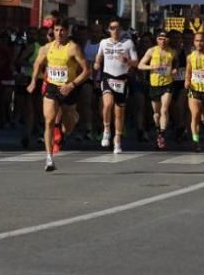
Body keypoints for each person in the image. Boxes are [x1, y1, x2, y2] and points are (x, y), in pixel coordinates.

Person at [27, 18, 90, 172]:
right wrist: (33, 81)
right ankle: (49, 158)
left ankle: (72, 119)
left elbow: (87, 71)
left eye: (62, 30)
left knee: (68, 126)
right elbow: (37, 64)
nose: (59, 33)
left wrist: (72, 84)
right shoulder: (46, 48)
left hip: (68, 88)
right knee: (48, 120)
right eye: (56, 30)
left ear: (67, 31)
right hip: (52, 87)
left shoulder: (73, 48)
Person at [94, 18, 138, 154]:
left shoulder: (128, 43)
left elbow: (136, 62)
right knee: (107, 104)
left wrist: (127, 60)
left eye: (118, 28)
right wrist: (96, 64)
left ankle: (117, 140)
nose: (115, 30)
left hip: (122, 79)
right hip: (108, 76)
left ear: (122, 30)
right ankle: (106, 129)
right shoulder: (103, 42)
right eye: (112, 28)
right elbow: (99, 57)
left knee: (119, 113)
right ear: (109, 30)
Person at [137, 29, 176, 150]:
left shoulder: (173, 52)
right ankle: (158, 130)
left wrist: (175, 71)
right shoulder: (151, 51)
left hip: (168, 84)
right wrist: (152, 67)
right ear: (156, 39)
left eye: (165, 39)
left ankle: (162, 135)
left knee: (164, 109)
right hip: (154, 84)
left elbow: (176, 66)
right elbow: (140, 65)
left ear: (168, 40)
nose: (162, 41)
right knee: (156, 113)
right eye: (160, 38)